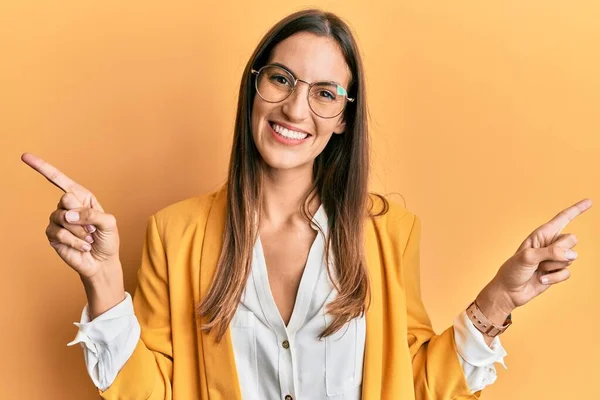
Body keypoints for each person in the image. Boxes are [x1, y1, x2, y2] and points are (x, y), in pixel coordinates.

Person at [22, 9, 591, 400]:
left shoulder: (388, 233)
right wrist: (102, 282)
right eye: (281, 79)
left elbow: (414, 385)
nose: (296, 110)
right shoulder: (178, 233)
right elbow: (149, 393)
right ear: (254, 88)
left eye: (324, 93)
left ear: (343, 117)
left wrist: (501, 296)